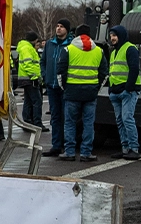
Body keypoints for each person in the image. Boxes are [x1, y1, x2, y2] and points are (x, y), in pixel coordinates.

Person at [58, 24, 108, 162]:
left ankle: (69, 152)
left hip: (72, 92)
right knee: (88, 124)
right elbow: (104, 73)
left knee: (70, 123)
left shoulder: (68, 49)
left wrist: (65, 88)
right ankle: (86, 153)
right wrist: (96, 88)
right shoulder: (98, 51)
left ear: (76, 35)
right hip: (90, 92)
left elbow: (60, 71)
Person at [107, 24, 141, 159]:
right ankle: (125, 148)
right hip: (116, 91)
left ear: (120, 36)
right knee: (120, 121)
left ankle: (134, 148)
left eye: (114, 35)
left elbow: (134, 69)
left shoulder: (130, 49)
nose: (112, 38)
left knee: (127, 119)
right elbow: (113, 72)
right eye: (111, 36)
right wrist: (111, 90)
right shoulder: (114, 51)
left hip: (127, 91)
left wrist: (128, 88)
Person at [42, 19, 73, 156]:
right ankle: (56, 145)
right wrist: (45, 76)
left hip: (65, 87)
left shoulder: (71, 44)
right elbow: (43, 62)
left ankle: (68, 146)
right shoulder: (50, 44)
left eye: (62, 27)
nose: (58, 29)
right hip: (52, 85)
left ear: (67, 29)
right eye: (57, 26)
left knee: (67, 117)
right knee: (55, 117)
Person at [16, 30, 44, 130]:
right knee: (37, 101)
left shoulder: (24, 47)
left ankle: (27, 122)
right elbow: (28, 64)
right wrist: (35, 77)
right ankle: (37, 123)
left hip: (25, 78)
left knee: (28, 101)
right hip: (29, 79)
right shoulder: (28, 48)